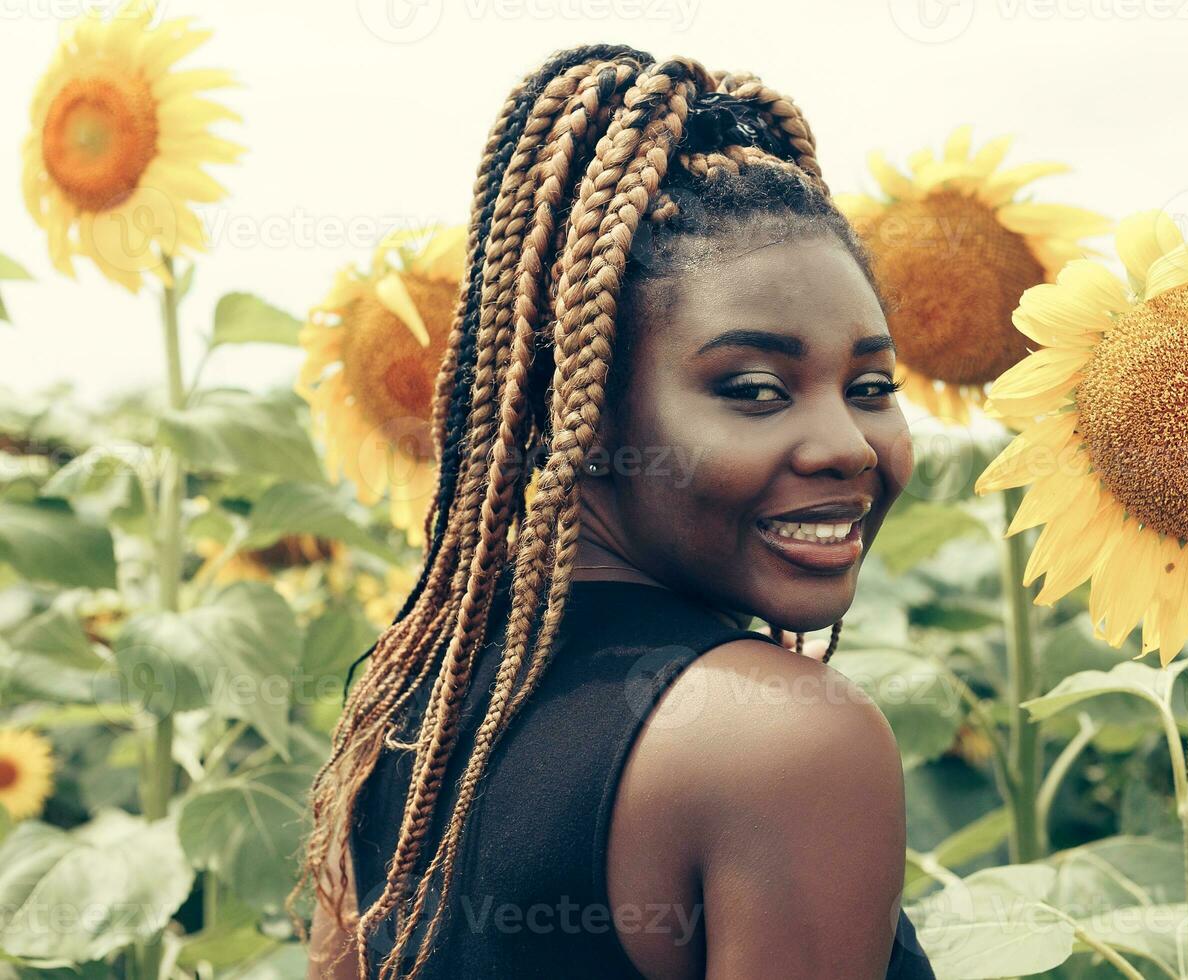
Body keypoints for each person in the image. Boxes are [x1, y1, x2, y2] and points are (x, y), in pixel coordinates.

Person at [296, 43, 933, 979]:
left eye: (872, 384)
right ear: (581, 416)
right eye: (755, 388)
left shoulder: (407, 707)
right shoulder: (783, 740)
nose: (846, 443)